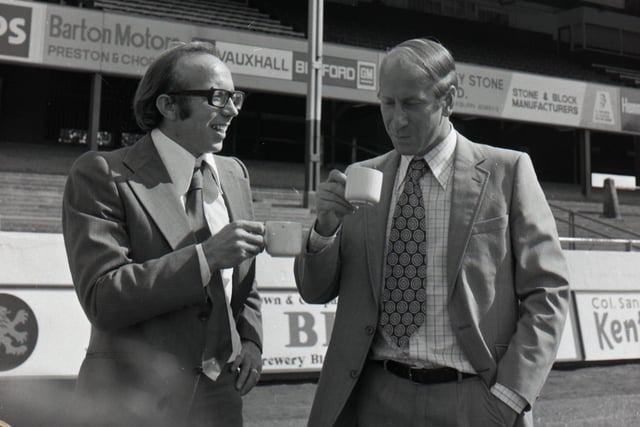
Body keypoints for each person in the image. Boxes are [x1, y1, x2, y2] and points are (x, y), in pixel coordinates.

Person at [295, 38, 569, 427]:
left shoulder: (508, 172)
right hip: (374, 398)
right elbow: (314, 290)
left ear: (449, 100)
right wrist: (323, 230)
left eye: (412, 103)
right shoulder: (361, 178)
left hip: (473, 400)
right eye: (387, 103)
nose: (397, 119)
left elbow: (549, 292)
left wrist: (510, 395)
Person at [62, 42, 264, 427]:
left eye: (235, 96)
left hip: (219, 402)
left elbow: (244, 279)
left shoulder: (235, 174)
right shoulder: (102, 174)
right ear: (168, 106)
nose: (233, 109)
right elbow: (103, 297)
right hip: (129, 402)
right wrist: (205, 258)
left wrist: (251, 339)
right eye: (217, 97)